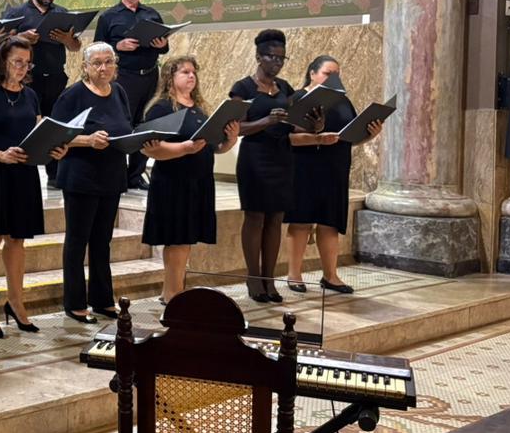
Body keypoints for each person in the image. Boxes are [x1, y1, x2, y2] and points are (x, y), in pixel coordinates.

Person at [0, 36, 69, 337]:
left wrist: (53, 149)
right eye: (17, 62)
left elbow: (37, 133)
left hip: (22, 175)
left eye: (26, 63)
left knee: (18, 241)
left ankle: (17, 302)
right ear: (2, 61)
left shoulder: (30, 96)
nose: (22, 68)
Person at [230, 29, 322, 303]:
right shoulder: (243, 88)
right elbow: (235, 128)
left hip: (283, 157)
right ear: (259, 57)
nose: (277, 62)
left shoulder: (285, 88)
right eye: (272, 57)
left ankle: (269, 279)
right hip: (255, 158)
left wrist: (315, 125)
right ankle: (254, 277)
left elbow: (295, 122)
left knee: (276, 218)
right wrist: (264, 122)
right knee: (256, 216)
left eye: (282, 58)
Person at [141, 55, 240, 303]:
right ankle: (172, 293)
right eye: (184, 72)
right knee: (176, 239)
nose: (191, 75)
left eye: (193, 72)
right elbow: (150, 147)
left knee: (186, 239)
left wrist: (231, 139)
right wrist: (183, 149)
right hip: (174, 181)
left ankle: (174, 291)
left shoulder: (199, 108)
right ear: (170, 77)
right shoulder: (161, 107)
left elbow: (214, 147)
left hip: (198, 181)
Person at [286, 56, 384, 296]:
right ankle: (294, 273)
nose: (333, 78)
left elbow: (349, 137)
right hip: (305, 166)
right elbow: (287, 137)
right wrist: (317, 138)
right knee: (301, 220)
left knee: (330, 221)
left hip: (335, 166)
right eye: (328, 73)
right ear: (312, 73)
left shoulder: (342, 101)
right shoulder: (297, 99)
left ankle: (330, 275)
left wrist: (370, 134)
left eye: (337, 74)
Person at [52, 42, 134, 323]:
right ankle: (75, 302)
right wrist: (87, 140)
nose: (103, 68)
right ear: (85, 67)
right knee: (78, 240)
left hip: (111, 175)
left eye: (108, 62)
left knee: (103, 241)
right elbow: (55, 135)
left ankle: (101, 299)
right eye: (97, 63)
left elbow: (126, 125)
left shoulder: (119, 92)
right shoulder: (72, 95)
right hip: (81, 176)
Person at [6, 0, 82, 189]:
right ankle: (19, 166)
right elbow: (2, 42)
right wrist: (21, 38)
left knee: (54, 125)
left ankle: (54, 174)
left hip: (55, 77)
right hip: (27, 79)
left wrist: (67, 39)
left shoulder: (62, 13)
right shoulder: (18, 12)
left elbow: (75, 46)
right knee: (24, 123)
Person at [94, 0, 169, 189]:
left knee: (145, 124)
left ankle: (135, 174)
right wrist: (117, 46)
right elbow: (97, 49)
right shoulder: (109, 17)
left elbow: (166, 47)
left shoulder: (152, 14)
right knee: (120, 124)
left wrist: (162, 45)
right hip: (123, 77)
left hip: (149, 76)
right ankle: (113, 173)